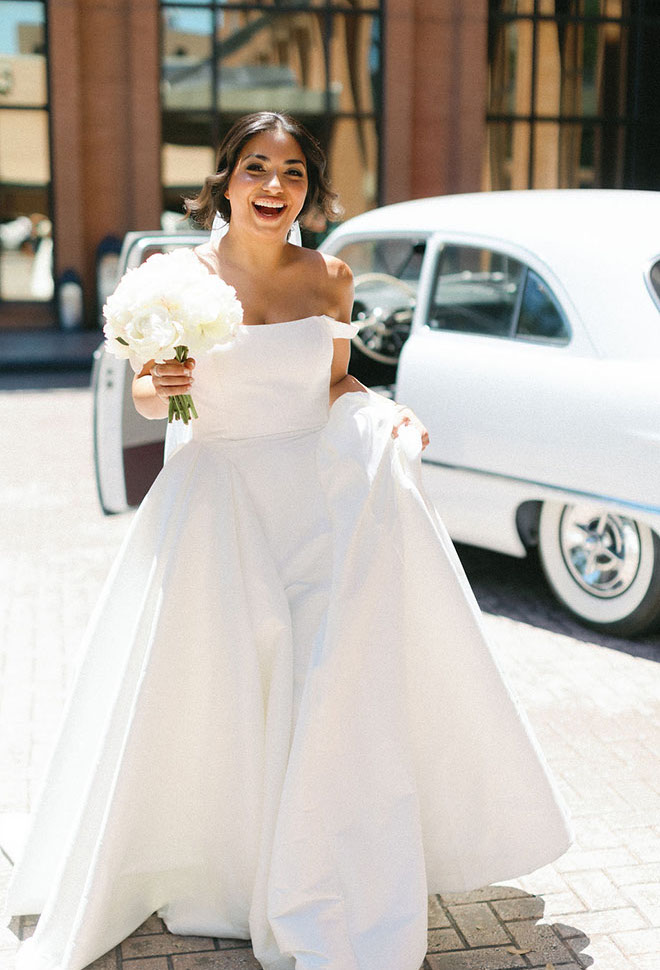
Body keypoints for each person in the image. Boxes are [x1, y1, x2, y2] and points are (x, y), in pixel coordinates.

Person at [3, 112, 573, 970]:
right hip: (218, 504)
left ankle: (310, 868)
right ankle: (229, 866)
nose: (275, 187)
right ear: (226, 180)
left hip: (316, 506)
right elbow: (158, 404)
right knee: (221, 688)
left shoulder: (332, 278)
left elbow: (336, 380)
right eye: (257, 168)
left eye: (295, 172)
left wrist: (384, 411)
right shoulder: (175, 278)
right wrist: (163, 382)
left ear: (309, 187)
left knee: (322, 686)